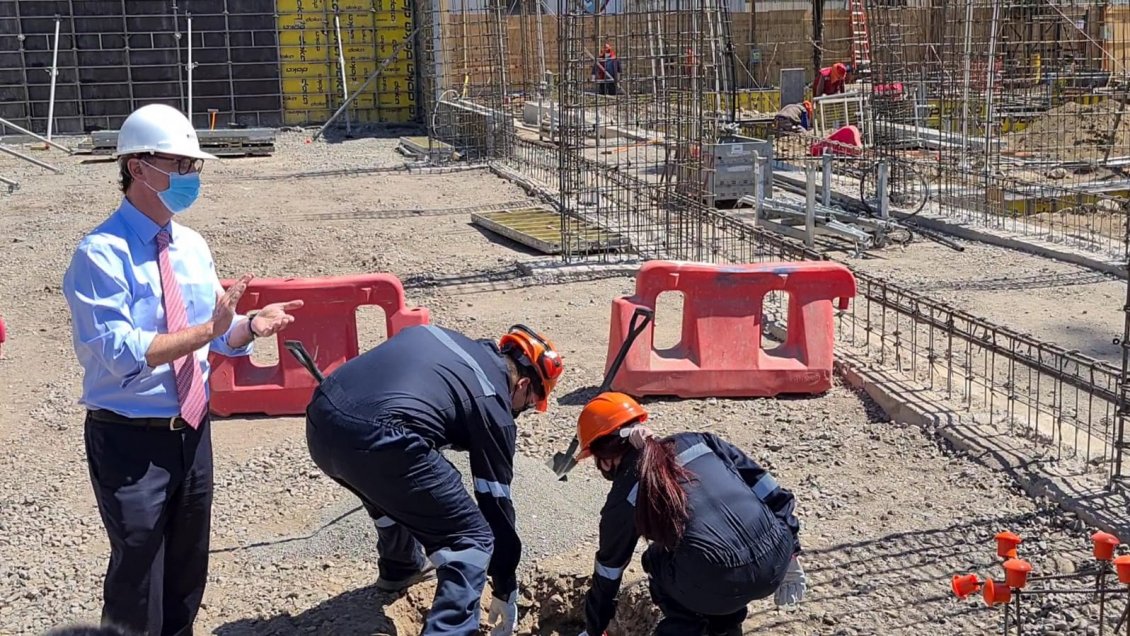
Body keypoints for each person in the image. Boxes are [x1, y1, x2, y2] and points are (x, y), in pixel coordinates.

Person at [61, 103, 303, 636]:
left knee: (188, 567)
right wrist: (211, 332)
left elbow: (216, 329)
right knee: (138, 571)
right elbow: (121, 351)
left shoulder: (192, 246)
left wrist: (249, 327)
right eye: (181, 165)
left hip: (192, 430)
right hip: (130, 437)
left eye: (195, 167)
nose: (191, 177)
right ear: (139, 167)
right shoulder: (100, 254)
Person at [304, 322, 565, 635]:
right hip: (380, 436)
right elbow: (495, 504)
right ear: (522, 385)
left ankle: (401, 566)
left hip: (322, 419)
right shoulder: (492, 402)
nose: (521, 412)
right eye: (528, 405)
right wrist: (505, 587)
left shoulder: (442, 337)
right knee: (472, 539)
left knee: (396, 483)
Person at [571, 392, 806, 636]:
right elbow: (771, 490)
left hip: (724, 582)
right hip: (778, 557)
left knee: (656, 559)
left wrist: (594, 628)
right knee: (707, 557)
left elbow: (609, 572)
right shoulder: (699, 441)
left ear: (605, 460)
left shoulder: (625, 496)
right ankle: (726, 629)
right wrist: (792, 551)